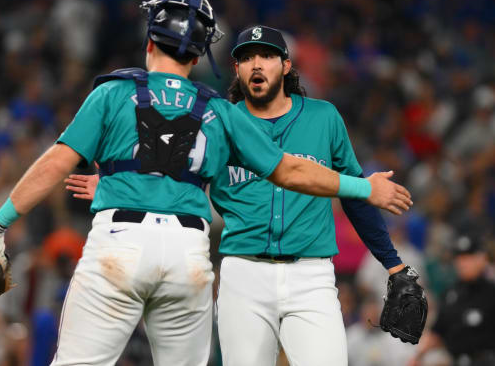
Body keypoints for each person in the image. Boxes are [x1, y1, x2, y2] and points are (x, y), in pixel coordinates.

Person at [0, 0, 412, 365]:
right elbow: (290, 171)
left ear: (149, 43)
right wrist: (363, 187)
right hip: (188, 256)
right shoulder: (220, 110)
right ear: (202, 54)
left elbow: (55, 162)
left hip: (119, 242)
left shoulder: (113, 92)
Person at [65, 25, 419, 365]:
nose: (257, 64)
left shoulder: (324, 118)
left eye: (267, 56)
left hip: (311, 275)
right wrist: (120, 188)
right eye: (247, 58)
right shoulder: (218, 120)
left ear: (286, 65)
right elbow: (181, 175)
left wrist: (393, 264)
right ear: (236, 68)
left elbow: (356, 198)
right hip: (243, 274)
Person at [409, 234, 495, 366]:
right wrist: (418, 356)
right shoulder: (450, 295)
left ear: (482, 258)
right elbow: (437, 332)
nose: (463, 263)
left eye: (468, 258)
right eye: (460, 258)